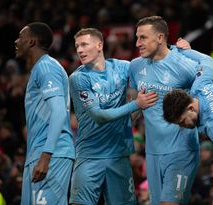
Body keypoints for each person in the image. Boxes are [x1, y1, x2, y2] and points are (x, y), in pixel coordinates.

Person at [128, 15, 213, 205]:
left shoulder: (185, 64)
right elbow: (135, 107)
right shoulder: (135, 67)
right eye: (137, 38)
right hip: (152, 153)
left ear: (160, 38)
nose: (137, 43)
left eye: (143, 37)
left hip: (181, 149)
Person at [68, 28, 158, 205]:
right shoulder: (78, 78)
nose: (79, 50)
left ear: (100, 45)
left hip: (119, 155)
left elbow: (151, 67)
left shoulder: (123, 67)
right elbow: (98, 116)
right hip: (89, 156)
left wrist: (178, 49)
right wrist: (135, 105)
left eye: (84, 44)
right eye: (77, 46)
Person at [14, 22, 75, 205]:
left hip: (51, 154)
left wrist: (46, 156)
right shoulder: (40, 69)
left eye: (21, 37)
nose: (16, 41)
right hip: (38, 153)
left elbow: (58, 113)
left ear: (32, 41)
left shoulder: (46, 68)